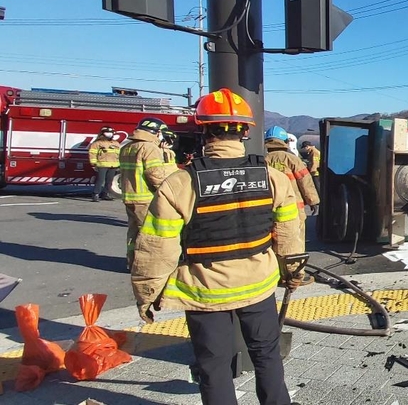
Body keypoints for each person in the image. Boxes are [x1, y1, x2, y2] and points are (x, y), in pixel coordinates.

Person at [131, 88, 305, 405]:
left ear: (204, 129)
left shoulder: (180, 182)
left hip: (204, 292)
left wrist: (147, 294)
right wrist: (292, 271)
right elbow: (289, 233)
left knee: (214, 367)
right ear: (245, 131)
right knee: (267, 356)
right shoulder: (273, 179)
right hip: (258, 285)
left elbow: (157, 248)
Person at [119, 118, 177, 268]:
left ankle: (132, 263)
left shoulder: (127, 147)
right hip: (145, 199)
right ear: (157, 132)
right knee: (149, 235)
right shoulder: (149, 148)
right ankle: (145, 266)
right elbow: (156, 175)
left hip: (130, 197)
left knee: (134, 232)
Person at [265, 125, 321, 261]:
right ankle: (294, 272)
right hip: (294, 209)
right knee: (296, 241)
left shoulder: (263, 160)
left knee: (272, 242)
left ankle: (276, 269)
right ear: (285, 142)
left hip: (269, 210)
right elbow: (305, 182)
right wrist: (313, 202)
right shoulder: (293, 160)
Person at [88, 126, 121, 202]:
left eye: (111, 132)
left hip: (114, 165)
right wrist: (93, 163)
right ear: (102, 133)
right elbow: (92, 154)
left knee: (109, 181)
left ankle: (106, 194)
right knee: (100, 180)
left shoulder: (116, 143)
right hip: (102, 165)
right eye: (108, 132)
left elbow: (119, 154)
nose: (110, 134)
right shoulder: (97, 143)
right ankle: (95, 194)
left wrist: (119, 163)